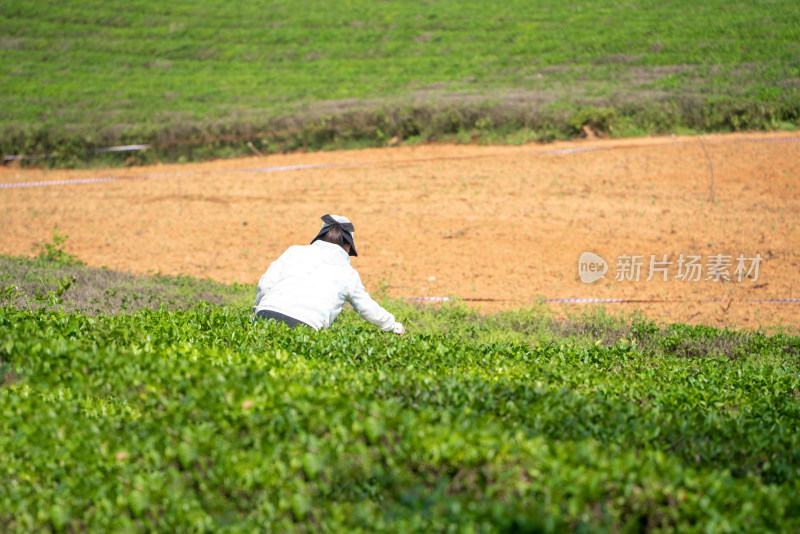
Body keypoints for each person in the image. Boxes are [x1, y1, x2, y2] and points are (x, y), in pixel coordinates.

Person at [253, 214, 405, 334]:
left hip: (264, 315)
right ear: (347, 246)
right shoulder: (348, 274)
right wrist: (393, 326)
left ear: (319, 238)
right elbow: (367, 308)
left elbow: (265, 284)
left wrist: (261, 307)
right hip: (306, 325)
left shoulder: (294, 251)